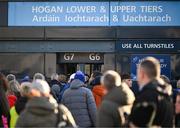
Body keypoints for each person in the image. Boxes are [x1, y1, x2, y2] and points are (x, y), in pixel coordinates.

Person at [129, 57, 174, 127]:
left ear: (142, 74)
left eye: (137, 73)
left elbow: (137, 124)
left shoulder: (147, 96)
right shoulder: (167, 93)